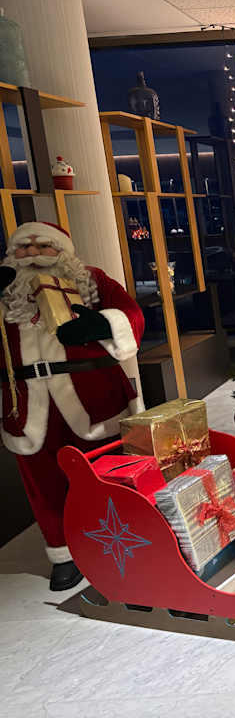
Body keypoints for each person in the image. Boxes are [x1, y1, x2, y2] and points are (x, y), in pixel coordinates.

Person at [0, 222, 144, 590]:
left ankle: (125, 541)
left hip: (92, 395)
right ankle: (63, 554)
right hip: (28, 402)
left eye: (43, 245)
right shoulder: (5, 290)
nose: (33, 254)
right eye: (24, 247)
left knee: (106, 473)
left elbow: (132, 314)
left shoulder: (91, 280)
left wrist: (102, 326)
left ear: (63, 249)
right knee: (43, 482)